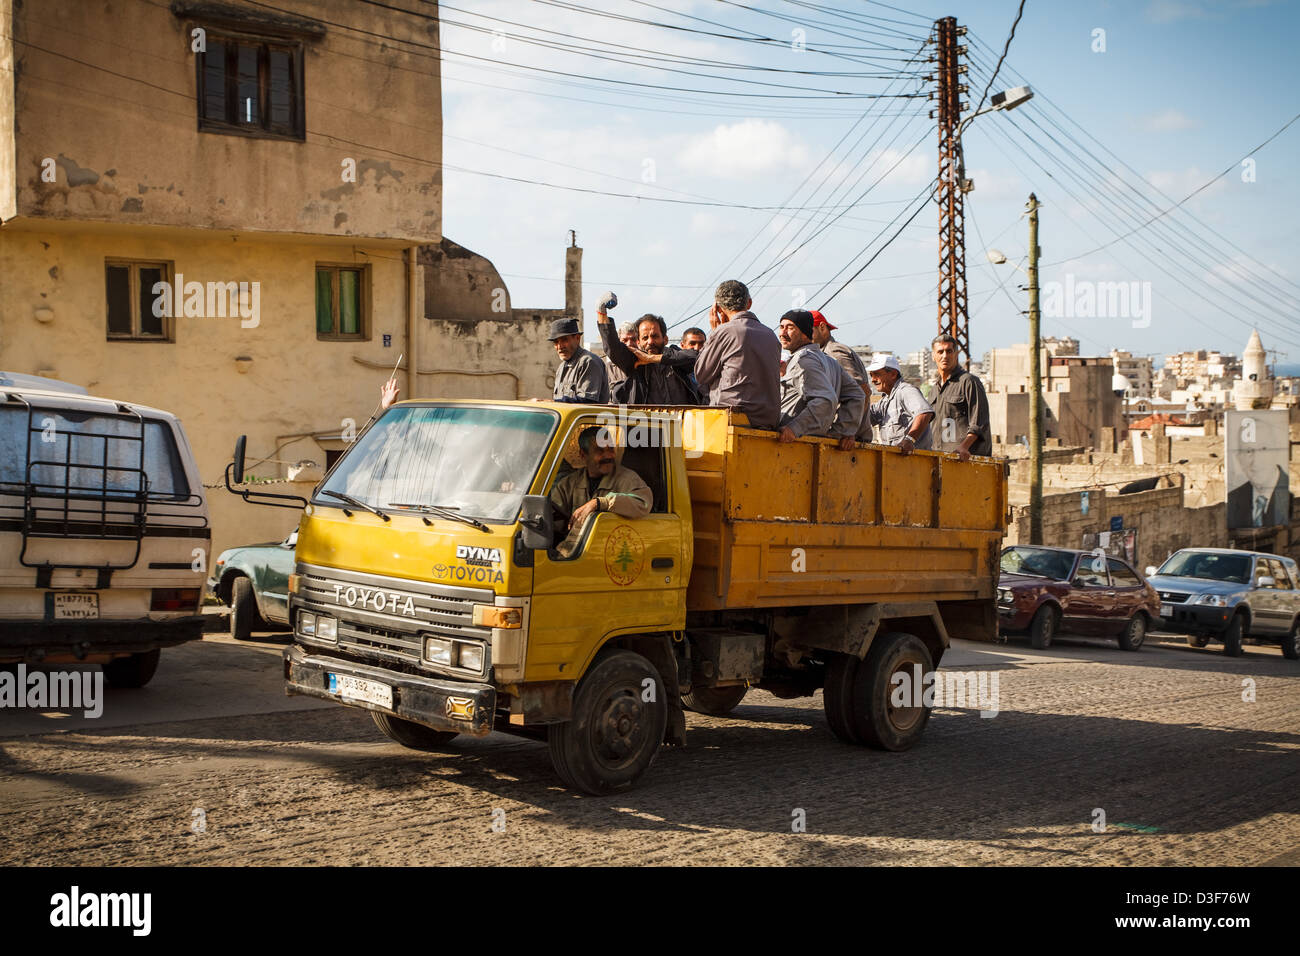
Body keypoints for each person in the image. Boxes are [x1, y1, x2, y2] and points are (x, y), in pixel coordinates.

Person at [549, 425, 652, 553]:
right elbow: (552, 521)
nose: (608, 455)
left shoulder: (628, 479)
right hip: (576, 555)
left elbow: (644, 503)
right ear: (583, 454)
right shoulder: (568, 484)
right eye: (600, 451)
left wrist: (601, 503)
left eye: (611, 449)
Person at [693, 279, 781, 428]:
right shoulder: (770, 335)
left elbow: (701, 374)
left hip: (733, 418)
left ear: (719, 309)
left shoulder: (724, 331)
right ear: (749, 303)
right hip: (769, 421)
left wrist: (715, 332)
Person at [596, 293, 701, 405]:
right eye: (645, 338)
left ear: (665, 339)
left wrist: (653, 358)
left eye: (655, 336)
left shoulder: (675, 357)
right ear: (638, 342)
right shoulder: (635, 362)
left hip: (683, 421)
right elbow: (613, 348)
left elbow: (696, 357)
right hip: (647, 421)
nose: (650, 342)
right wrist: (601, 311)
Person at [776, 310, 863, 447]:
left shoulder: (803, 360)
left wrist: (794, 428)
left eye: (790, 328)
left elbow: (824, 400)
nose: (782, 333)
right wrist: (841, 431)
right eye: (781, 327)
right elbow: (856, 395)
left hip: (793, 444)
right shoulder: (829, 361)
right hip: (805, 444)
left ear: (805, 333)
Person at [811, 310, 873, 443]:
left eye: (808, 331)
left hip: (847, 440)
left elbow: (862, 392)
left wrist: (848, 431)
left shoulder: (833, 352)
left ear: (822, 328)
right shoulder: (823, 353)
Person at [929, 332, 992, 461]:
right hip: (940, 459)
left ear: (956, 354)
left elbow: (979, 422)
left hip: (966, 460)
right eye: (940, 352)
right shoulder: (934, 390)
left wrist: (964, 447)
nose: (945, 356)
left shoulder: (969, 382)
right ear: (933, 356)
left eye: (949, 351)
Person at [866, 354, 934, 455]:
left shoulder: (906, 391)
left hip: (915, 463)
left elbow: (925, 413)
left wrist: (909, 440)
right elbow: (865, 418)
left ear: (893, 374)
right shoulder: (884, 402)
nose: (873, 379)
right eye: (871, 375)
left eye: (877, 374)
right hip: (896, 463)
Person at [549, 318, 609, 404]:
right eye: (556, 342)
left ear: (577, 338)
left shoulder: (589, 362)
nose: (560, 346)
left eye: (564, 340)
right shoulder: (561, 367)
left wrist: (551, 403)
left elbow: (587, 402)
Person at [605, 321, 638, 392]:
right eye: (625, 340)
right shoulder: (608, 369)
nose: (629, 344)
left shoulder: (646, 365)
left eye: (633, 339)